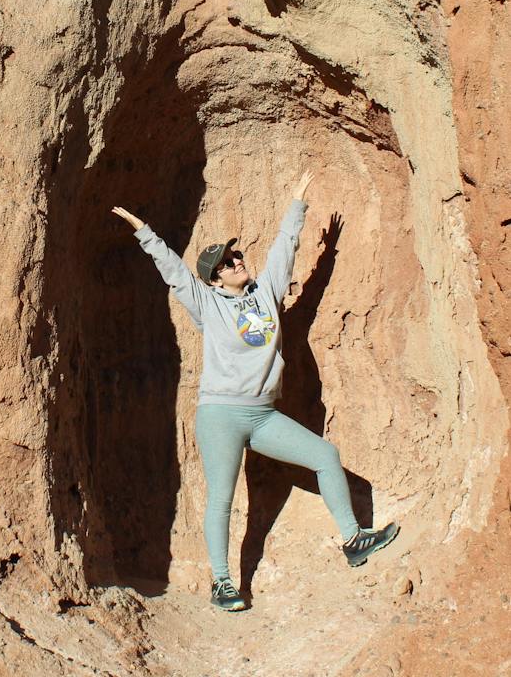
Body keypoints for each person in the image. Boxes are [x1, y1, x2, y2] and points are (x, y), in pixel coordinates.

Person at [111, 172, 398, 611]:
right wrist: (144, 232)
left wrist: (297, 205)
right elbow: (173, 271)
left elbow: (286, 251)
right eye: (225, 263)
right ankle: (223, 583)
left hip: (263, 416)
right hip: (220, 415)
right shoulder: (206, 304)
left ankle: (355, 539)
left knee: (325, 456)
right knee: (223, 497)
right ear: (213, 279)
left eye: (237, 255)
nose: (236, 262)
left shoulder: (265, 294)